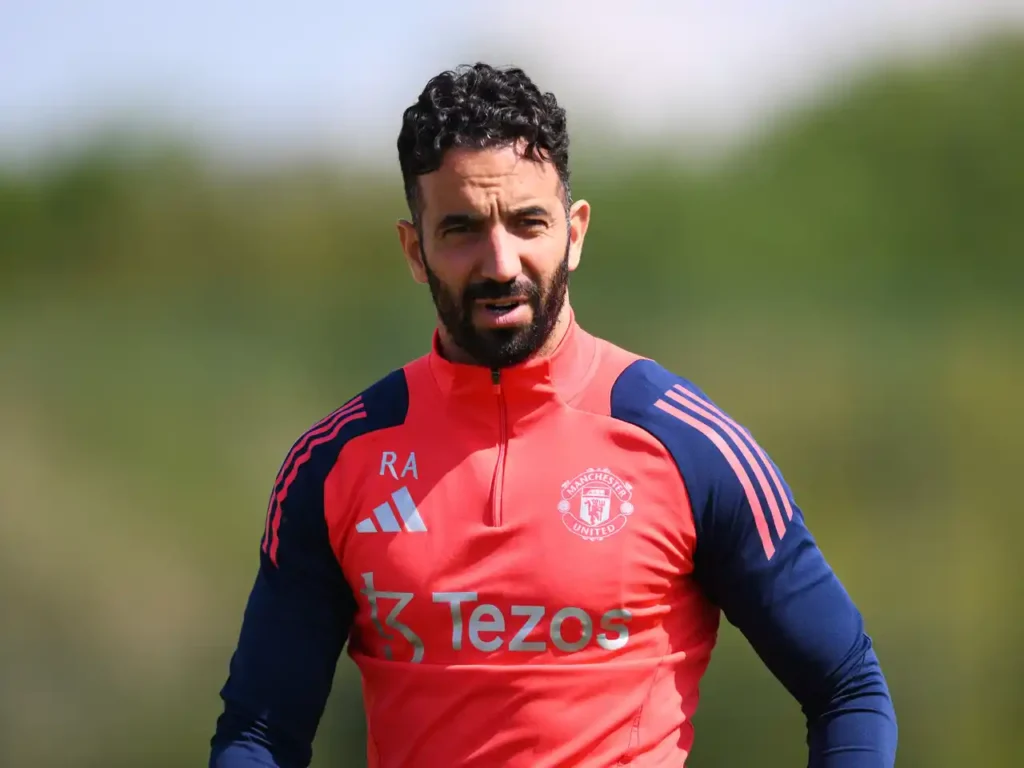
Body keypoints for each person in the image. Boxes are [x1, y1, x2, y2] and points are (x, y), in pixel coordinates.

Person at [209, 62, 897, 768]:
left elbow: (847, 690)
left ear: (575, 232)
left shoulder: (690, 446)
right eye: (461, 229)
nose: (500, 262)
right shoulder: (335, 463)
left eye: (528, 223)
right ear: (416, 250)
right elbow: (260, 735)